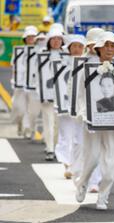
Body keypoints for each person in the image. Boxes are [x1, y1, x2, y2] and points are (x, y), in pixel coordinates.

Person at [75, 31, 114, 210]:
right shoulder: (88, 68)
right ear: (98, 48)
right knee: (93, 158)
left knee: (112, 163)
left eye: (113, 46)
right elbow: (81, 95)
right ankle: (82, 182)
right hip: (93, 121)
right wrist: (84, 115)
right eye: (106, 45)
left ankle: (103, 197)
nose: (110, 49)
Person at [70, 28, 104, 194]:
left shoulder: (108, 62)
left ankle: (95, 180)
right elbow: (73, 88)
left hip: (103, 112)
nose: (94, 48)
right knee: (84, 145)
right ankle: (82, 175)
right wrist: (74, 109)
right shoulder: (80, 63)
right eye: (91, 44)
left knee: (99, 149)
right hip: (83, 111)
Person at [55, 35, 87, 180]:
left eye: (80, 46)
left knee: (78, 138)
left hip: (80, 107)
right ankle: (67, 163)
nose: (77, 49)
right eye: (74, 46)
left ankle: (75, 165)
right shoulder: (60, 63)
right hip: (64, 104)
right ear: (68, 48)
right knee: (65, 135)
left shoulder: (88, 65)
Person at [40, 28, 66, 161]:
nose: (56, 41)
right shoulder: (41, 55)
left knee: (58, 123)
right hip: (46, 94)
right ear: (49, 41)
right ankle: (49, 149)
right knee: (48, 122)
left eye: (59, 39)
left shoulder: (67, 55)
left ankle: (55, 146)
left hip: (61, 95)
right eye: (53, 39)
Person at [11, 26, 38, 139]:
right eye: (29, 37)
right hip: (20, 85)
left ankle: (31, 129)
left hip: (34, 86)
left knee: (33, 110)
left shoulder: (40, 52)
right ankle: (20, 124)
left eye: (33, 37)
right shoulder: (18, 51)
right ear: (25, 38)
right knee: (20, 108)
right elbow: (14, 66)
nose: (31, 39)